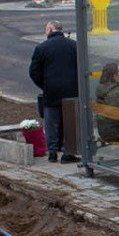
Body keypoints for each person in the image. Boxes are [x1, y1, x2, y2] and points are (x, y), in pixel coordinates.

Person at [28, 20, 80, 163]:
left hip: (52, 92)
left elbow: (33, 72)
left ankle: (52, 152)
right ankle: (67, 152)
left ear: (50, 29)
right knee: (69, 122)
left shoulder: (42, 48)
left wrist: (44, 85)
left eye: (46, 29)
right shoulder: (74, 45)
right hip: (72, 91)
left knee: (52, 122)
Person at [94, 62, 119, 143]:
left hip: (103, 131)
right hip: (116, 133)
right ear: (115, 76)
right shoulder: (118, 92)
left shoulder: (100, 89)